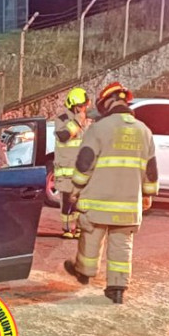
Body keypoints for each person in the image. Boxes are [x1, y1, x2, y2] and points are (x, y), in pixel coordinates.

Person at [63, 82, 158, 304]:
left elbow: (84, 164)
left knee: (91, 236)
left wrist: (74, 190)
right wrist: (147, 195)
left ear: (106, 102)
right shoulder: (144, 131)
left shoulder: (99, 128)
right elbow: (151, 170)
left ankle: (84, 273)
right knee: (121, 244)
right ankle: (116, 289)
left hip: (98, 201)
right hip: (128, 205)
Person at [52, 87, 93, 239]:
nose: (84, 109)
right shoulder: (62, 119)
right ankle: (68, 229)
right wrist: (77, 121)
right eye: (83, 106)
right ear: (76, 106)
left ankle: (79, 229)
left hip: (80, 170)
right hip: (66, 171)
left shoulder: (84, 122)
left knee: (80, 202)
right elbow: (63, 136)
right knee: (68, 201)